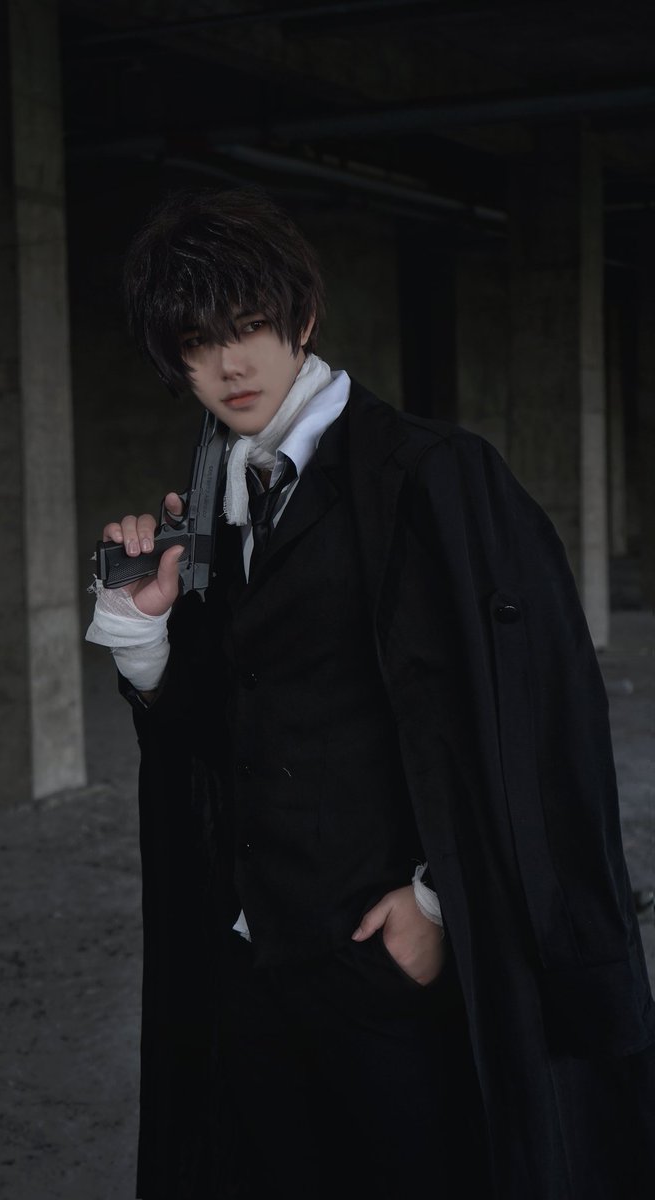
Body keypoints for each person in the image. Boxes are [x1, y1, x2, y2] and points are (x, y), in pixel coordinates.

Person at [86, 188, 655, 1200]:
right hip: (250, 964)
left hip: (386, 966)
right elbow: (225, 734)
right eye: (198, 342)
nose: (230, 364)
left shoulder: (437, 478)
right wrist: (145, 635)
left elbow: (539, 721)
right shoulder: (220, 497)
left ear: (302, 316)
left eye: (248, 325)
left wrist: (438, 902)